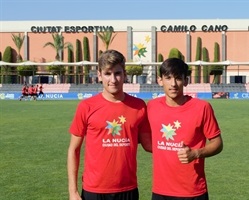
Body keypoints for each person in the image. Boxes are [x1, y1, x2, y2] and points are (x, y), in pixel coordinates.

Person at [67, 49, 152, 200]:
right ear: (99, 75)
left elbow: (149, 145)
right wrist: (73, 192)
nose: (113, 79)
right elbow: (74, 150)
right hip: (94, 190)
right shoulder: (86, 106)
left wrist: (180, 144)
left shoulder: (139, 106)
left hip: (128, 189)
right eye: (107, 73)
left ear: (125, 74)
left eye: (118, 73)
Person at [147, 58, 223, 200]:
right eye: (168, 78)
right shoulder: (151, 107)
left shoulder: (202, 108)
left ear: (186, 80)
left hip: (193, 191)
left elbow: (218, 144)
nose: (173, 84)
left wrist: (195, 153)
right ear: (160, 80)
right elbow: (144, 138)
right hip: (160, 191)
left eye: (178, 78)